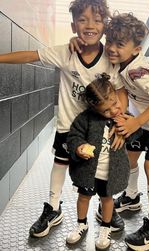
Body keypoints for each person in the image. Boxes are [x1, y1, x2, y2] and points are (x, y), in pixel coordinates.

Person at [0, 0, 127, 237]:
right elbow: (31, 54)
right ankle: (53, 208)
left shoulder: (111, 58)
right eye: (82, 20)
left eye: (97, 20)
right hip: (69, 126)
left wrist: (120, 123)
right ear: (73, 26)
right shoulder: (65, 52)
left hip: (101, 129)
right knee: (60, 162)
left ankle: (105, 205)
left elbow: (121, 91)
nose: (90, 25)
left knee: (105, 165)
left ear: (105, 26)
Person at [104, 13, 149, 250]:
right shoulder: (120, 63)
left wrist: (136, 123)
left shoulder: (139, 70)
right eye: (110, 41)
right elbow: (123, 91)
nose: (112, 48)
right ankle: (132, 197)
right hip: (140, 118)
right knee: (130, 156)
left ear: (136, 49)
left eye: (119, 44)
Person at [66, 73, 142, 249]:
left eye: (115, 104)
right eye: (106, 110)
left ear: (116, 96)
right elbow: (73, 136)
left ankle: (105, 227)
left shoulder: (124, 117)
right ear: (95, 109)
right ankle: (81, 224)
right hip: (88, 171)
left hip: (110, 173)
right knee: (83, 197)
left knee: (107, 200)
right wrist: (79, 148)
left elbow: (137, 136)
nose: (114, 111)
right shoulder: (86, 118)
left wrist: (129, 127)